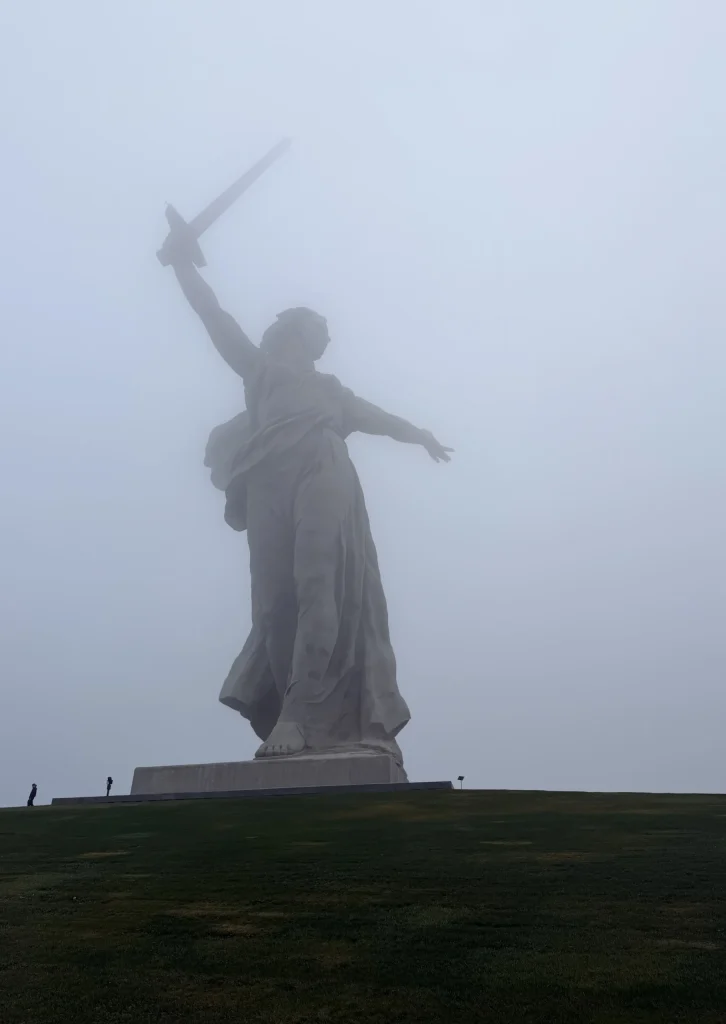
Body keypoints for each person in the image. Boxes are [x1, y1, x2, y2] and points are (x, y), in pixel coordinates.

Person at [158, 230, 452, 764]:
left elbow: (380, 419)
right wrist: (183, 265)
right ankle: (285, 709)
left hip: (322, 467)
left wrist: (421, 435)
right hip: (267, 477)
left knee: (319, 584)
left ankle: (298, 716)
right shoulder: (262, 371)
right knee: (273, 604)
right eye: (322, 327)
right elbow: (214, 317)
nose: (329, 337)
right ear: (297, 328)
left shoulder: (332, 392)